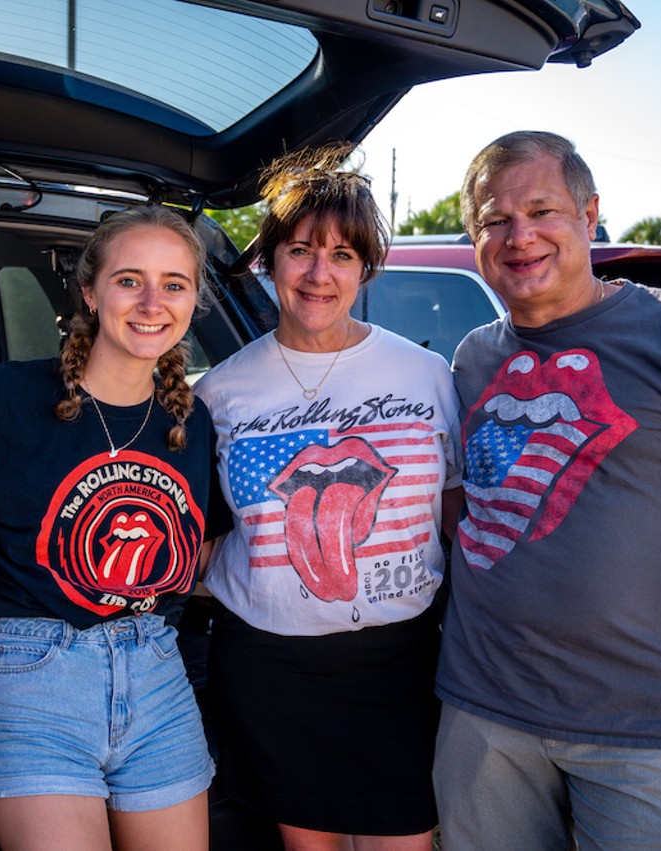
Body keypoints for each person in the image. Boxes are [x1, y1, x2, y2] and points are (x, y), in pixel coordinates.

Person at [434, 130, 661, 848]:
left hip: (644, 730)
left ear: (589, 213)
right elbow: (464, 503)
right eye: (494, 221)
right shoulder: (474, 356)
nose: (520, 236)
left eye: (541, 210)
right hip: (482, 716)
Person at [193, 144, 462, 851]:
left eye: (343, 254)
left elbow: (458, 519)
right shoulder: (219, 392)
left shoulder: (426, 375)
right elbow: (202, 536)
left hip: (400, 668)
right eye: (301, 250)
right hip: (268, 671)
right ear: (269, 259)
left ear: (365, 267)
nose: (320, 273)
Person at [0, 205, 224, 851]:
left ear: (192, 301)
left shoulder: (193, 421)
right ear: (90, 291)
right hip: (31, 679)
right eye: (130, 279)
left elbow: (199, 550)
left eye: (174, 283)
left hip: (157, 673)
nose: (152, 301)